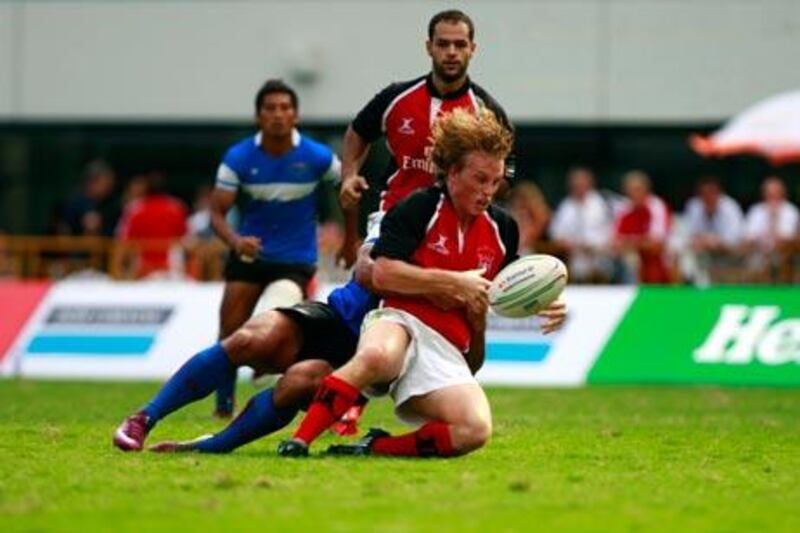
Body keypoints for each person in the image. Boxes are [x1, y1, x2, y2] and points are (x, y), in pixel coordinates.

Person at [278, 109, 566, 459]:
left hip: (446, 345)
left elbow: (500, 309)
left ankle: (374, 447)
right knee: (376, 355)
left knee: (474, 430)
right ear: (453, 172)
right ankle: (299, 441)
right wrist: (450, 282)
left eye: (495, 181)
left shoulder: (503, 230)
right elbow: (381, 274)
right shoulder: (419, 207)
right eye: (479, 179)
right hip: (400, 321)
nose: (488, 191)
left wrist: (542, 302)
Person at [112, 268, 377, 453]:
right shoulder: (404, 208)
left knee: (300, 381)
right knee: (248, 339)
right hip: (338, 316)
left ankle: (215, 444)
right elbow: (368, 267)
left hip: (384, 339)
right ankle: (144, 418)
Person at [337, 9, 513, 268]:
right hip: (391, 212)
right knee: (369, 271)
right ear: (429, 47)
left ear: (472, 49)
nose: (451, 52)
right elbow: (357, 133)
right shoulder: (396, 97)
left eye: (460, 44)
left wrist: (475, 187)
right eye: (443, 44)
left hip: (453, 226)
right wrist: (349, 175)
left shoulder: (487, 111)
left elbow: (506, 173)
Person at [209, 79, 341, 417]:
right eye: (270, 109)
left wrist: (349, 237)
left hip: (295, 261)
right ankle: (224, 407)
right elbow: (216, 214)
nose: (278, 115)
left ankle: (271, 374)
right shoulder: (238, 158)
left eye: (285, 108)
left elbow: (349, 191)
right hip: (249, 256)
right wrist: (237, 241)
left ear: (295, 114)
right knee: (229, 332)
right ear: (258, 116)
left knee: (273, 318)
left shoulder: (318, 156)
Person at [116, 172, 189, 279]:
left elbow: (123, 241)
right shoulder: (177, 207)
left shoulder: (134, 209)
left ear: (146, 189)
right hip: (172, 272)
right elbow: (187, 240)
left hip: (142, 272)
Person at [550, 167, 615, 282]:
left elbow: (613, 230)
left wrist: (596, 246)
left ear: (590, 184)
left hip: (602, 259)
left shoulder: (602, 203)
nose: (579, 188)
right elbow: (555, 234)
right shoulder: (566, 207)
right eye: (576, 185)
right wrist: (570, 245)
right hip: (576, 262)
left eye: (582, 184)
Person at [681, 176, 744, 285]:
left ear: (719, 194)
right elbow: (688, 235)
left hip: (729, 252)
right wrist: (705, 241)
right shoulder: (694, 206)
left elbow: (733, 240)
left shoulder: (730, 207)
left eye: (712, 193)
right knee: (686, 252)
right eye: (704, 194)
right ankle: (690, 284)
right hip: (704, 251)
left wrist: (713, 241)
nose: (708, 197)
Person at [612, 170, 672, 284]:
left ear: (646, 190)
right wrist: (639, 242)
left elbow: (657, 245)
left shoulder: (657, 207)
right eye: (630, 191)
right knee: (629, 259)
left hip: (658, 262)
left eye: (637, 190)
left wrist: (631, 242)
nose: (634, 194)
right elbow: (615, 243)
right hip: (633, 263)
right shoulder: (624, 209)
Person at [743, 176, 799, 279]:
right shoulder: (756, 211)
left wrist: (774, 219)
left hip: (784, 258)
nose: (773, 197)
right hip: (758, 255)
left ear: (783, 194)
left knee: (782, 256)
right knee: (755, 261)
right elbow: (749, 239)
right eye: (769, 194)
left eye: (776, 194)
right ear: (764, 195)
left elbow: (787, 239)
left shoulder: (791, 211)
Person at [507, 181, 551, 254]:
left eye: (522, 199)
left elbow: (529, 239)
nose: (519, 202)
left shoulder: (542, 215)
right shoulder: (516, 215)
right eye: (517, 199)